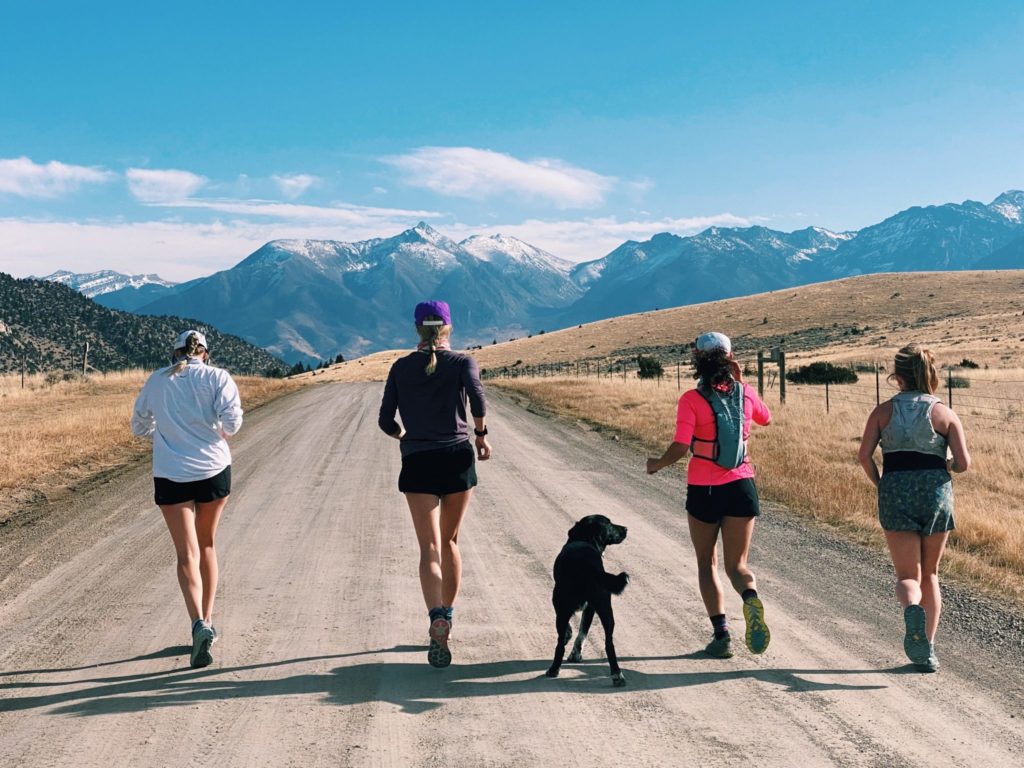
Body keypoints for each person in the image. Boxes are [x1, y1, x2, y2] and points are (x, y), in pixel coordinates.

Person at [378, 300, 491, 668]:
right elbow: (477, 397)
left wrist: (405, 437)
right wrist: (480, 434)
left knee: (428, 548)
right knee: (450, 541)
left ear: (417, 329)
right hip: (457, 455)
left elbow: (385, 420)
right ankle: (449, 616)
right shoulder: (462, 363)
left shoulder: (400, 367)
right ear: (447, 329)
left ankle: (435, 617)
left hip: (418, 460)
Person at [646, 331, 772, 658]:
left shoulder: (692, 399)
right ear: (730, 358)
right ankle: (750, 599)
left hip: (705, 489)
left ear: (698, 360)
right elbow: (766, 418)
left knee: (707, 562)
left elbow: (680, 445)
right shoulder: (745, 393)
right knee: (738, 565)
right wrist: (741, 382)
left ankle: (722, 636)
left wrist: (657, 464)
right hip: (742, 485)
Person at [131, 330, 243, 669]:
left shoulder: (157, 380)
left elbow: (139, 426)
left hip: (171, 473)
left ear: (175, 353)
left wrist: (165, 432)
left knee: (186, 553)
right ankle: (207, 622)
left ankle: (197, 622)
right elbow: (233, 423)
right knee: (207, 545)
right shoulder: (219, 377)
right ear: (205, 354)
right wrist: (215, 434)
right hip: (212, 470)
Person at [858, 343, 970, 672]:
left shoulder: (882, 412)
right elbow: (963, 463)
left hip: (896, 489)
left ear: (896, 377)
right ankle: (929, 650)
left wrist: (881, 482)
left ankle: (911, 609)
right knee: (931, 573)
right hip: (935, 492)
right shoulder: (944, 413)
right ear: (930, 374)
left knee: (908, 575)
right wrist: (944, 463)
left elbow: (863, 456)